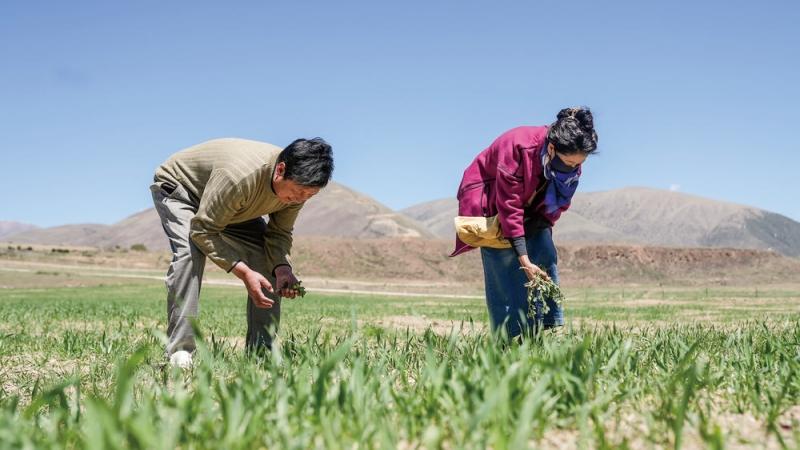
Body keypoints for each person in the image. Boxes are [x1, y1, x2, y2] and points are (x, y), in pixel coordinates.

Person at [150, 137, 334, 366]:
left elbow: (278, 234)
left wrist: (282, 267)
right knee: (190, 253)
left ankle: (261, 353)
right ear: (280, 170)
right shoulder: (239, 177)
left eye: (309, 195)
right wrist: (243, 271)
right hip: (184, 191)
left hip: (230, 207)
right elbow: (203, 230)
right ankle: (180, 352)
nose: (299, 200)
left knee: (268, 261)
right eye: (298, 192)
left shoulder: (297, 192)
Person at [451, 107, 598, 338]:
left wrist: (540, 225)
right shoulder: (518, 145)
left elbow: (559, 202)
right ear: (551, 148)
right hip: (491, 198)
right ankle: (510, 339)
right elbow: (509, 205)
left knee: (544, 252)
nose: (573, 168)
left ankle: (547, 329)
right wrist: (523, 255)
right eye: (568, 162)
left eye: (578, 163)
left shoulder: (571, 164)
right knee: (506, 262)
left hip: (531, 204)